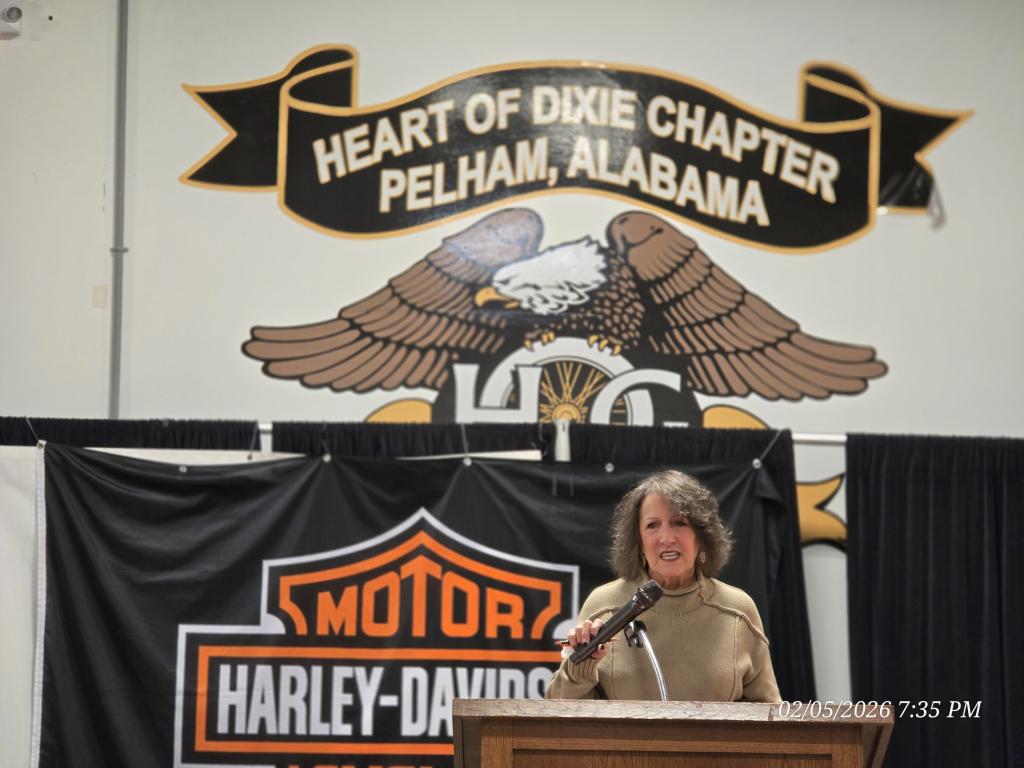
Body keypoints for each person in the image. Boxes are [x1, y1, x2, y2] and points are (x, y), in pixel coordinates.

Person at [545, 470, 781, 702]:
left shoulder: (738, 610)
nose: (667, 538)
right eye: (652, 525)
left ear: (702, 537)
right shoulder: (604, 605)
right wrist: (581, 669)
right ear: (638, 542)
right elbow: (560, 711)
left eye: (679, 522)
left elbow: (769, 715)